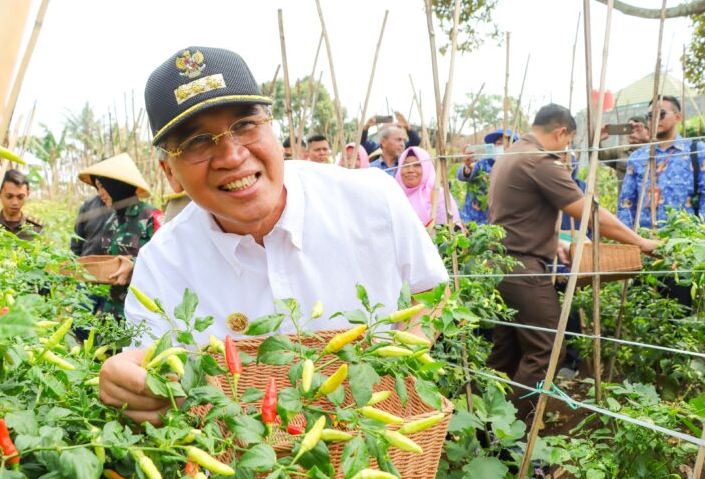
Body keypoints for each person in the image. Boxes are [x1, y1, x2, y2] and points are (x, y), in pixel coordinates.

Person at [99, 46, 448, 424]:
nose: (232, 156)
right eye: (197, 141)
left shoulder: (370, 199)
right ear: (170, 173)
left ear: (272, 128)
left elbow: (430, 289)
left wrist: (394, 368)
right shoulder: (162, 265)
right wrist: (131, 383)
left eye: (245, 125)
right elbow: (154, 370)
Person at [487, 103, 657, 424]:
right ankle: (514, 434)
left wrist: (556, 243)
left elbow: (518, 217)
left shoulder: (512, 154)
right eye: (567, 143)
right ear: (561, 131)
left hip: (503, 265)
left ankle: (485, 425)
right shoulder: (539, 161)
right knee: (547, 350)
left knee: (506, 352)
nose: (566, 151)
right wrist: (641, 242)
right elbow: (591, 213)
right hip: (524, 269)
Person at [78, 153, 163, 318]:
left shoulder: (151, 217)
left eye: (102, 186)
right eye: (97, 187)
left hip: (142, 312)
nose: (100, 193)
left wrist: (134, 265)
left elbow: (167, 260)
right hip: (112, 312)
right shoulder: (112, 220)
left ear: (116, 185)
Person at [619, 95, 705, 229]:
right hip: (644, 240)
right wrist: (628, 241)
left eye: (661, 114)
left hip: (685, 241)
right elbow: (626, 202)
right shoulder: (638, 157)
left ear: (678, 117)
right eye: (650, 116)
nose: (654, 119)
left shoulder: (697, 151)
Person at [457, 129, 517, 224]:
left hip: (500, 223)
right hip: (472, 220)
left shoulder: (517, 168)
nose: (502, 147)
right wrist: (468, 167)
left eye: (507, 144)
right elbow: (463, 175)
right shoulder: (482, 162)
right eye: (498, 143)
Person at [395, 146, 462, 229]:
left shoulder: (438, 194)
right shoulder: (394, 195)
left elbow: (452, 231)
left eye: (417, 165)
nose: (410, 170)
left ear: (426, 167)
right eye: (405, 165)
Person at [598, 115, 650, 192]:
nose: (632, 132)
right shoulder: (620, 152)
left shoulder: (654, 151)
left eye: (637, 129)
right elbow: (600, 155)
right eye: (629, 128)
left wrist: (648, 140)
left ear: (648, 132)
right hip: (625, 201)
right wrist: (598, 139)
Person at [0, 169, 43, 241]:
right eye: (9, 196)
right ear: (0, 194)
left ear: (27, 194)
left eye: (20, 197)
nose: (15, 202)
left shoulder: (36, 229)